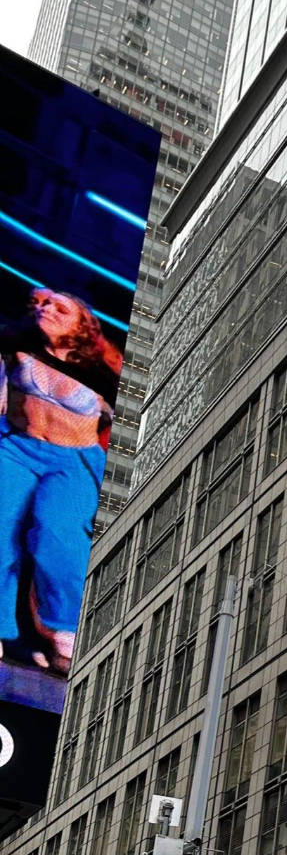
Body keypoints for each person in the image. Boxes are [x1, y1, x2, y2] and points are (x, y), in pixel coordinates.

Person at [0, 289, 120, 675]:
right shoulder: (17, 343)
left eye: (59, 307)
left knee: (59, 535)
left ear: (82, 325)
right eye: (42, 304)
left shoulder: (105, 368)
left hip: (73, 460)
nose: (46, 309)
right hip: (17, 446)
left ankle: (64, 633)